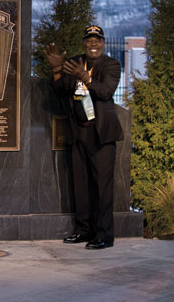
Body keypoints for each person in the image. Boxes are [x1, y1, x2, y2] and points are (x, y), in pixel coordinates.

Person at [44, 25, 123, 250]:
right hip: (78, 132)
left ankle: (104, 235)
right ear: (84, 43)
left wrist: (85, 77)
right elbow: (62, 90)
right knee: (80, 185)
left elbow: (105, 92)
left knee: (102, 187)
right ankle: (83, 230)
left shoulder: (111, 65)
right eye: (89, 40)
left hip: (101, 134)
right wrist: (58, 69)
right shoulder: (75, 61)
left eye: (97, 40)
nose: (93, 44)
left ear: (104, 43)